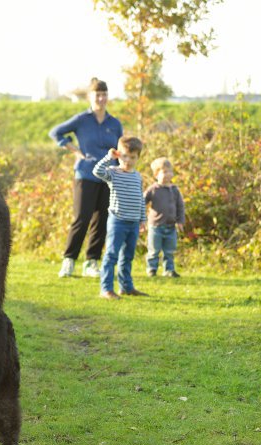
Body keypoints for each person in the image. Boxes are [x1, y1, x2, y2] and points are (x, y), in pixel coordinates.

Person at [50, 78, 123, 278]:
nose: (101, 98)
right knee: (81, 218)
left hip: (108, 177)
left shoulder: (114, 123)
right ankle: (69, 260)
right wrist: (73, 149)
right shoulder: (82, 120)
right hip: (85, 174)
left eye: (104, 94)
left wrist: (122, 169)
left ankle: (92, 262)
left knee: (102, 220)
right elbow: (55, 132)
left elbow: (121, 149)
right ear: (90, 97)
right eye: (97, 95)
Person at [93, 137, 148, 300]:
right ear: (119, 155)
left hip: (133, 223)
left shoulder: (138, 176)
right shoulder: (113, 172)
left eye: (133, 157)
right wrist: (109, 157)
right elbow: (97, 171)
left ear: (138, 158)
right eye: (125, 156)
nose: (128, 160)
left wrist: (143, 219)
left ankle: (126, 287)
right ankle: (106, 289)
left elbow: (140, 199)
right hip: (118, 221)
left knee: (128, 255)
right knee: (111, 255)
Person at [144, 157, 186, 277]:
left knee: (169, 250)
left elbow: (180, 206)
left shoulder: (175, 190)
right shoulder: (153, 189)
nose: (168, 175)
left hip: (171, 225)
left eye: (169, 171)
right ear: (156, 174)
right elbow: (142, 201)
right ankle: (151, 269)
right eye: (164, 172)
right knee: (154, 249)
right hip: (156, 226)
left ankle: (169, 269)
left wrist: (180, 221)